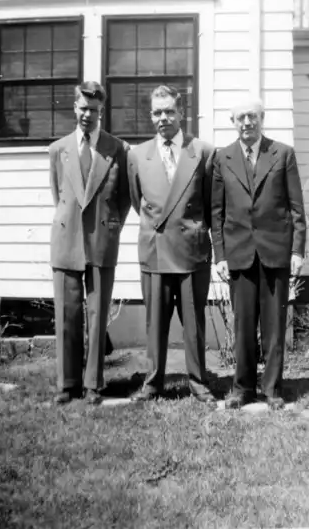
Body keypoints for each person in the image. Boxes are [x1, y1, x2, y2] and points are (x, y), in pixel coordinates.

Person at [211, 97, 306, 409]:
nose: (247, 122)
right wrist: (220, 255)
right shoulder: (222, 158)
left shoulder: (282, 154)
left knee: (274, 327)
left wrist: (297, 250)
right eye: (241, 117)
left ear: (262, 118)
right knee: (242, 326)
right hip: (239, 253)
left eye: (252, 116)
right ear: (233, 122)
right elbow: (217, 214)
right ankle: (242, 389)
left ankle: (272, 390)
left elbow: (296, 209)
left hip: (275, 251)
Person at [127, 85, 216, 403]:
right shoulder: (137, 155)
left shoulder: (203, 152)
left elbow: (209, 203)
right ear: (150, 115)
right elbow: (141, 204)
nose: (163, 117)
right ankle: (153, 383)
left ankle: (198, 382)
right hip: (155, 248)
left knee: (194, 322)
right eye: (156, 112)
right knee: (155, 323)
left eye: (169, 111)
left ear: (181, 113)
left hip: (191, 250)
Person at [48, 81, 131, 404]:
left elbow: (123, 200)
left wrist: (110, 228)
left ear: (101, 111)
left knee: (97, 315)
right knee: (67, 315)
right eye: (82, 108)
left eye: (93, 110)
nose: (87, 115)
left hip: (101, 240)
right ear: (74, 107)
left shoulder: (117, 149)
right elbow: (60, 196)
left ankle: (94, 384)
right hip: (66, 240)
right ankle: (67, 384)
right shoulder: (58, 149)